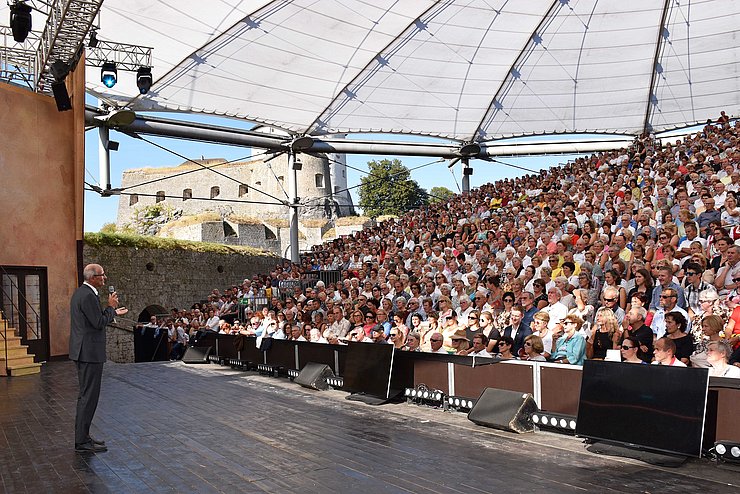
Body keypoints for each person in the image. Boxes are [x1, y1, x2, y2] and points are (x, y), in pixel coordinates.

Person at [70, 264, 128, 453]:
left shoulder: (83, 293)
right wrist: (110, 308)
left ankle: (84, 437)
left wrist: (112, 313)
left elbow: (94, 318)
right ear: (93, 277)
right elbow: (98, 322)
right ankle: (81, 442)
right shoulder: (88, 295)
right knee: (88, 397)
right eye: (102, 275)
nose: (105, 277)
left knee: (87, 396)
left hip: (85, 352)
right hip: (89, 353)